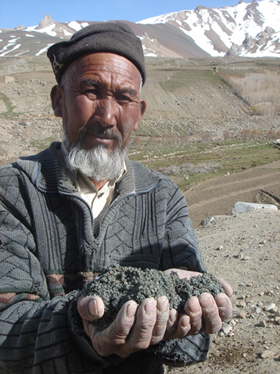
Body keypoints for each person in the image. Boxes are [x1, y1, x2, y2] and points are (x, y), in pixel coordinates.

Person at [0, 23, 232, 374]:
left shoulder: (162, 197)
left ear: (138, 114)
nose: (107, 117)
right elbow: (5, 331)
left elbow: (194, 343)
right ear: (58, 101)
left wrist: (183, 320)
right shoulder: (12, 191)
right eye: (91, 91)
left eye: (123, 98)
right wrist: (83, 329)